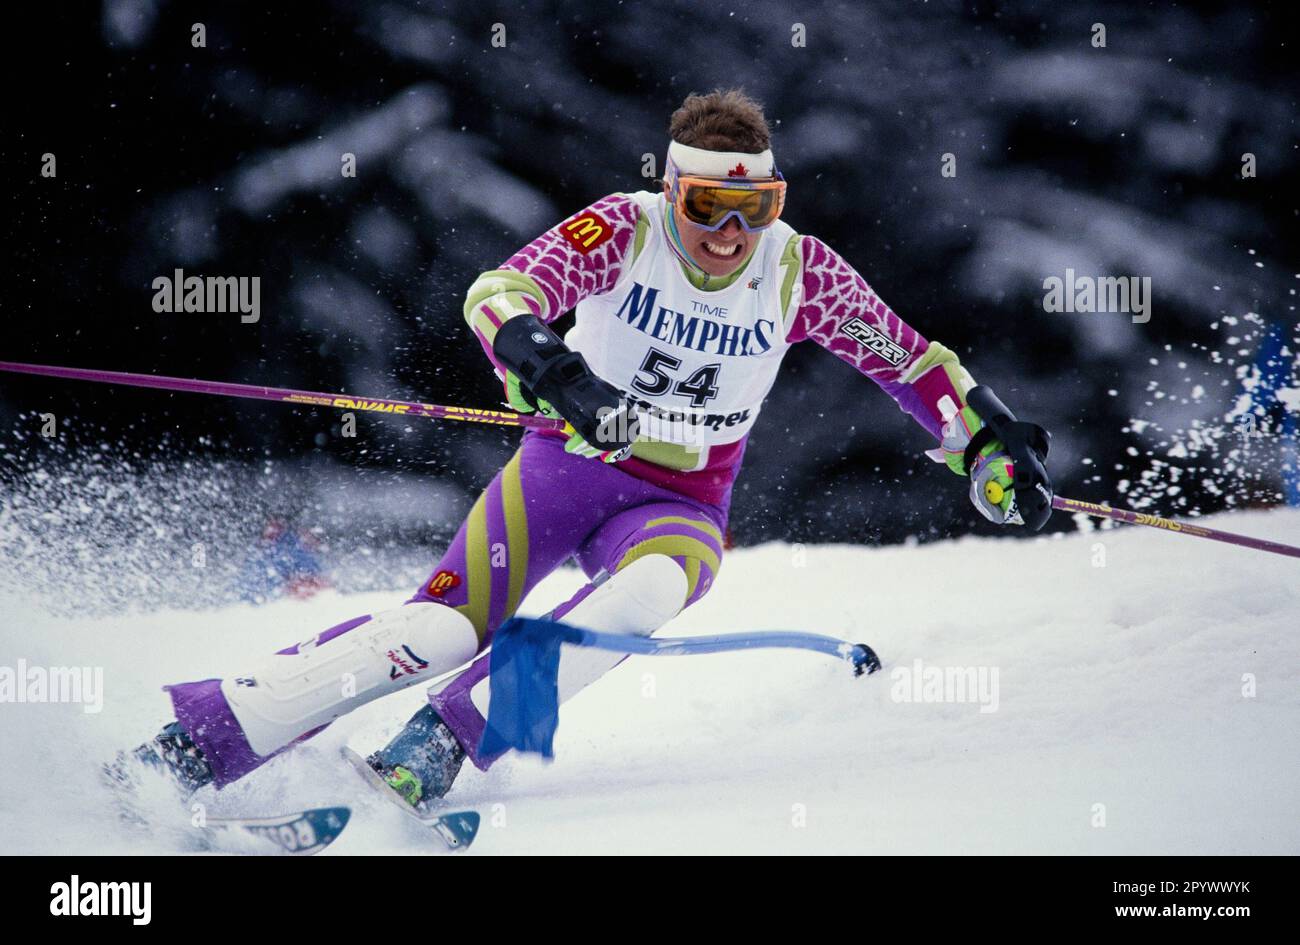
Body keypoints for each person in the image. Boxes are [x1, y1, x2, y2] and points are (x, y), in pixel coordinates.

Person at [117, 89, 1051, 814]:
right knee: (441, 629)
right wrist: (554, 371)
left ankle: (438, 750)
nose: (729, 236)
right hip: (562, 471)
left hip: (683, 503)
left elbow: (912, 362)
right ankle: (193, 748)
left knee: (643, 597)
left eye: (753, 208)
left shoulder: (798, 270)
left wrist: (986, 445)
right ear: (671, 189)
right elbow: (499, 291)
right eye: (709, 207)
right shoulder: (627, 229)